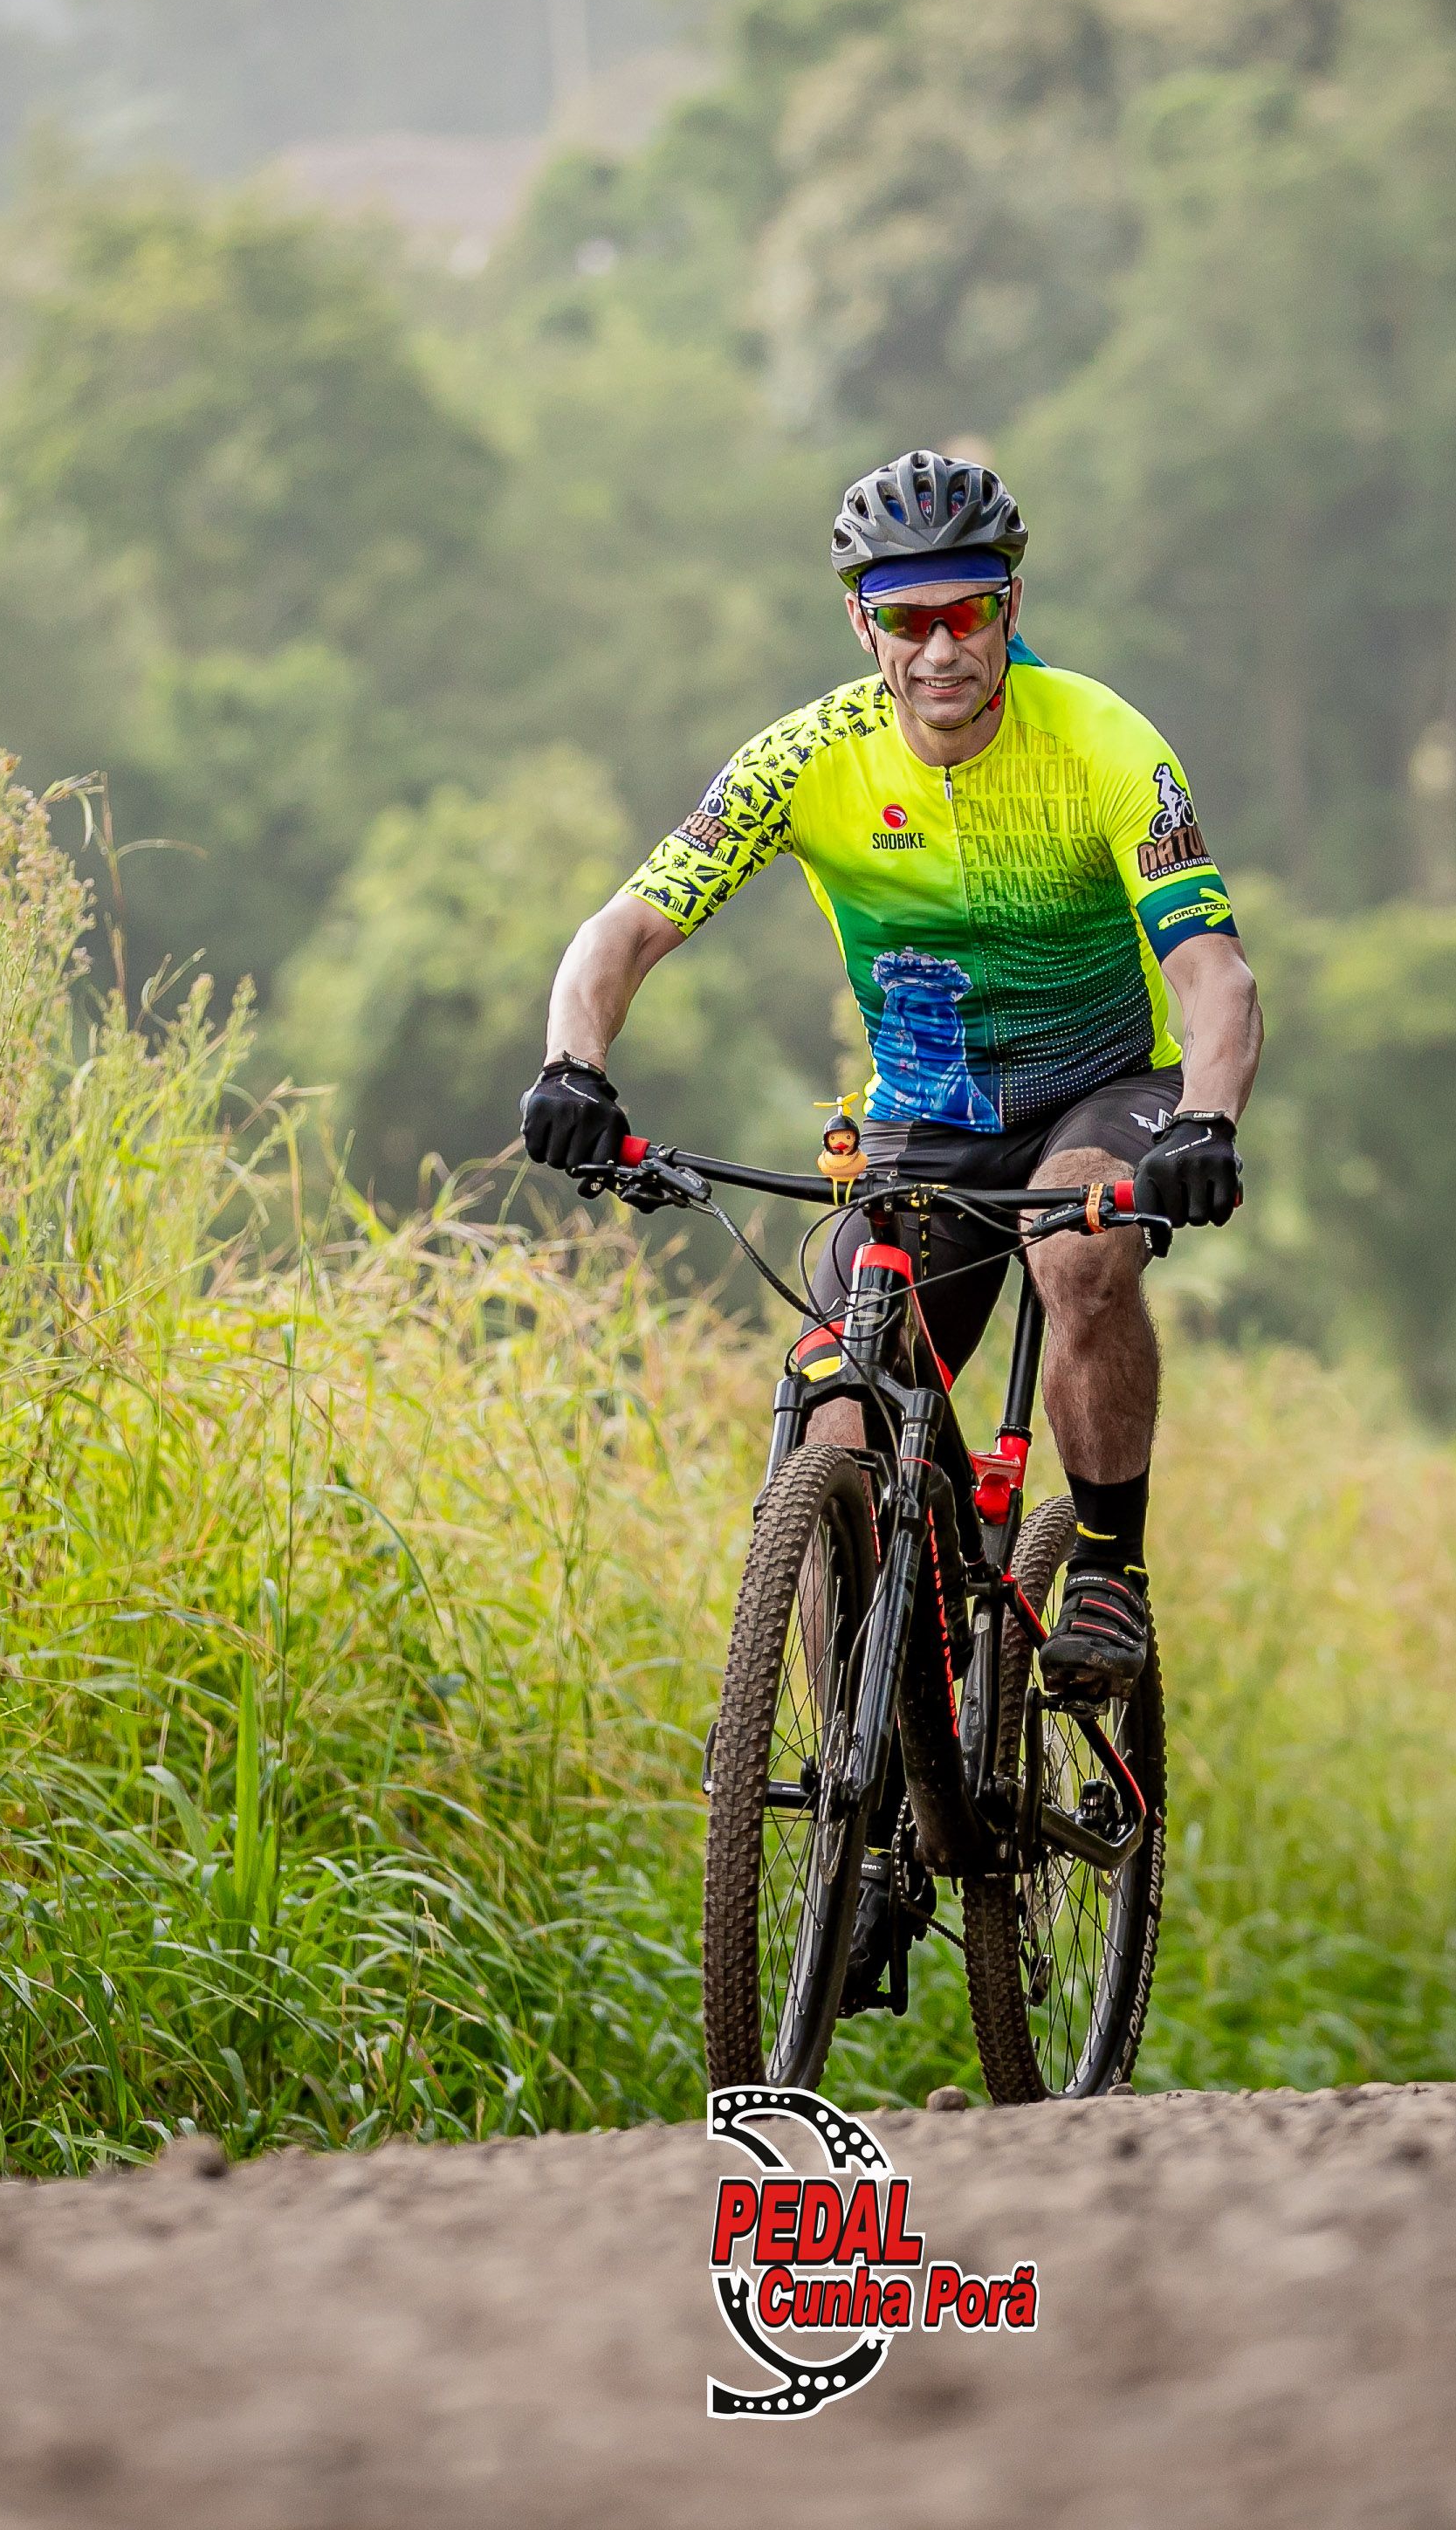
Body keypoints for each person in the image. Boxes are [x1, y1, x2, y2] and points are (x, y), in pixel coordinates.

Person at [521, 451, 1263, 1698]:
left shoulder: (1104, 742)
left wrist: (1206, 1121)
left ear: (1010, 609)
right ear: (861, 624)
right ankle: (866, 1761)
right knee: (838, 1394)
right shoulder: (807, 756)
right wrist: (572, 1066)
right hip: (928, 1117)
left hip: (1101, 1089)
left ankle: (1107, 1568)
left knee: (1078, 1253)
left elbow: (1216, 976)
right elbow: (624, 931)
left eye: (967, 613)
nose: (940, 651)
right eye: (908, 621)